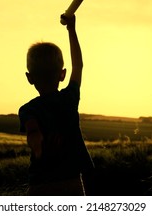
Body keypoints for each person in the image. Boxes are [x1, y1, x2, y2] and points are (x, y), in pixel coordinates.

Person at [18, 14, 94, 196]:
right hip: (71, 180)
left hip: (40, 183)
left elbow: (33, 132)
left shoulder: (28, 109)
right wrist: (71, 30)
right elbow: (78, 66)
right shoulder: (70, 98)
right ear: (62, 74)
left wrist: (38, 150)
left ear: (29, 78)